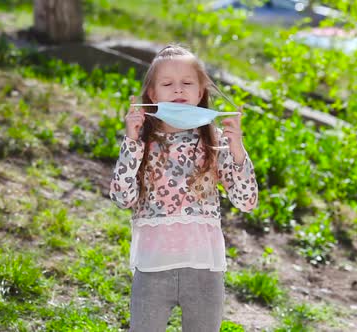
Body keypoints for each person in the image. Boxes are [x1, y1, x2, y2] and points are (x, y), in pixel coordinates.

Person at [109, 45, 258, 332]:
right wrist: (131, 143)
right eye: (167, 84)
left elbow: (246, 201)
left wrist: (237, 148)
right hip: (153, 266)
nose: (178, 89)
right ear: (152, 95)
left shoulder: (216, 143)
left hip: (204, 268)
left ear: (201, 91)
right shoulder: (142, 143)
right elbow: (121, 197)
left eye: (187, 83)